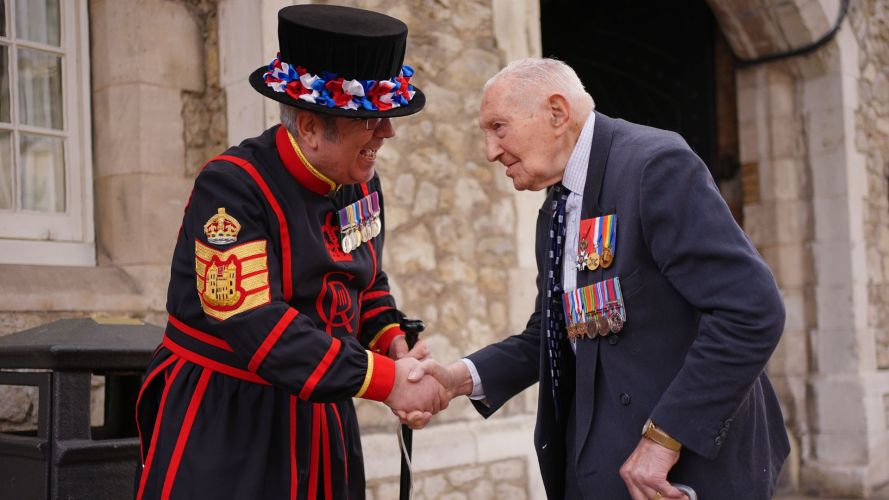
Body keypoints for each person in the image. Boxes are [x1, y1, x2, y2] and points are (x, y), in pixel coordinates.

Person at [406, 58, 789, 499]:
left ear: (556, 112)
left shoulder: (655, 166)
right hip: (600, 469)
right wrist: (456, 380)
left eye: (498, 127)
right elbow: (551, 333)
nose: (490, 151)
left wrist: (664, 437)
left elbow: (752, 311)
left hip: (682, 472)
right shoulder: (557, 206)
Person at [134, 5, 446, 499]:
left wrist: (393, 344)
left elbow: (364, 281)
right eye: (371, 118)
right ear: (308, 126)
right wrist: (388, 381)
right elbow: (256, 325)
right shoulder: (232, 188)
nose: (387, 132)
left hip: (323, 415)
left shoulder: (360, 181)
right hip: (229, 421)